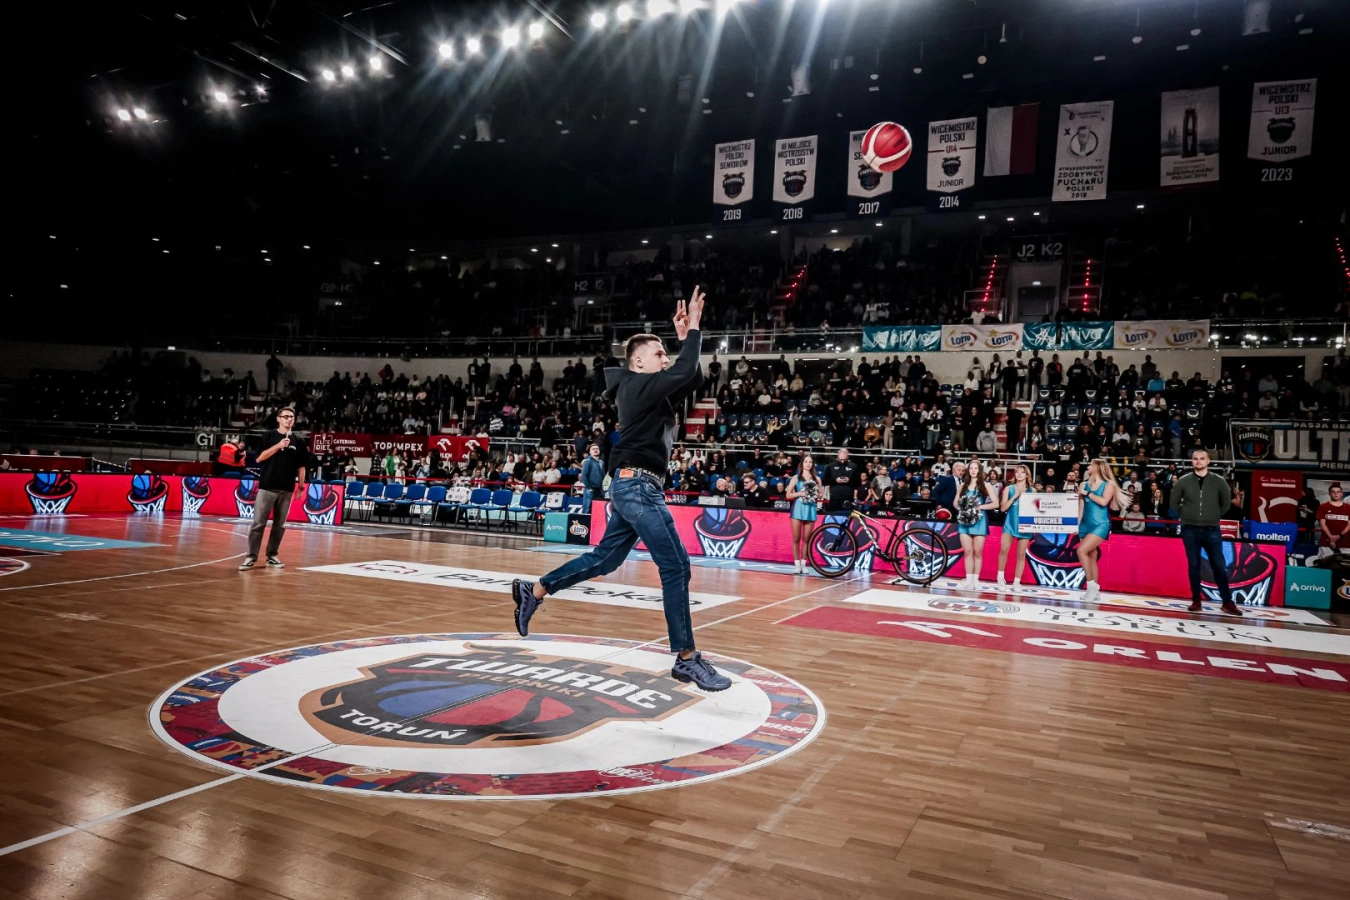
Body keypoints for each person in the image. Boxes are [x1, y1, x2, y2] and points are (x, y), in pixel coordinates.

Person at [511, 288, 731, 692]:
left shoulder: (650, 391)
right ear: (638, 361)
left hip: (635, 487)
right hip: (638, 487)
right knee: (676, 566)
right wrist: (694, 328)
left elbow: (694, 375)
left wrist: (685, 340)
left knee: (605, 559)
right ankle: (687, 659)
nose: (665, 357)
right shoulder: (633, 387)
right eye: (659, 352)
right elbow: (684, 369)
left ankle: (535, 589)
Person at [1169, 449, 1240, 615]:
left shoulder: (1219, 481)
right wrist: (1187, 515)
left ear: (1208, 461)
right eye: (1195, 459)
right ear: (1192, 461)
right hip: (1190, 530)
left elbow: (1226, 504)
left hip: (1212, 529)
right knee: (1194, 566)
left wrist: (1213, 516)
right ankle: (1196, 600)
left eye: (1202, 458)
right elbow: (1173, 503)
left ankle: (1227, 602)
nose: (1198, 461)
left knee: (1219, 566)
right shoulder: (1183, 481)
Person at [239, 407, 307, 571]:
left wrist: (301, 486)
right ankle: (251, 557)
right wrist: (278, 446)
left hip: (287, 489)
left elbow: (301, 466)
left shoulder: (298, 440)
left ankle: (272, 556)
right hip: (267, 486)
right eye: (285, 416)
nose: (289, 419)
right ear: (278, 419)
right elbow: (259, 458)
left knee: (279, 525)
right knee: (258, 524)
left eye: (291, 417)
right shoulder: (268, 436)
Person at [1076, 458, 1117, 602]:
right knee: (1091, 556)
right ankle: (1095, 592)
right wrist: (1077, 525)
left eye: (1090, 465)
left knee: (1081, 551)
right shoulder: (1083, 484)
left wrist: (1087, 493)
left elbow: (1103, 501)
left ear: (1098, 467)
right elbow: (1081, 507)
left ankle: (1091, 586)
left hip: (1100, 524)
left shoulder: (1109, 485)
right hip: (1085, 525)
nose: (1088, 467)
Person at [955, 458, 999, 588]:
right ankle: (969, 580)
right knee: (967, 551)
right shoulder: (962, 485)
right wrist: (963, 508)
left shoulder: (986, 485)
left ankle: (976, 580)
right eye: (971, 468)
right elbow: (955, 503)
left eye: (976, 468)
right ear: (968, 470)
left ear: (979, 470)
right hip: (964, 521)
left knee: (977, 551)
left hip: (979, 521)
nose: (973, 470)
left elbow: (996, 503)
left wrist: (979, 507)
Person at [996, 465, 1034, 587]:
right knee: (1004, 549)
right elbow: (1003, 508)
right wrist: (1015, 496)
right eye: (1017, 472)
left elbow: (1035, 510)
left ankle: (1017, 582)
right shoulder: (1009, 489)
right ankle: (1000, 577)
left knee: (1021, 554)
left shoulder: (1032, 491)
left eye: (1022, 472)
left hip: (1025, 525)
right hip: (1010, 523)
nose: (1019, 474)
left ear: (1027, 475)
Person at [786, 454, 822, 573]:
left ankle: (803, 564)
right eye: (806, 461)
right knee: (796, 538)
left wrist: (814, 493)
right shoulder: (796, 478)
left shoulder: (817, 479)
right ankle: (797, 565)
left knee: (807, 539)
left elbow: (821, 495)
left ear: (813, 464)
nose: (808, 464)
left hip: (810, 509)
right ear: (802, 463)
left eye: (810, 462)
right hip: (798, 508)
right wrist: (799, 493)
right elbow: (788, 494)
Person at [1317, 483, 1350, 557]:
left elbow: (1349, 525)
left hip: (1345, 544)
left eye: (1338, 492)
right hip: (1326, 543)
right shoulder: (1323, 506)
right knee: (1323, 563)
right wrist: (1331, 537)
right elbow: (1322, 524)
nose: (1336, 493)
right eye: (1333, 492)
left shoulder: (1348, 508)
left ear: (1341, 494)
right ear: (1329, 493)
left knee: (1345, 563)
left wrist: (1338, 536)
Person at [822, 448, 860, 513]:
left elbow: (858, 483)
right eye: (841, 459)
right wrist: (835, 480)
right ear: (837, 456)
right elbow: (825, 481)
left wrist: (849, 481)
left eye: (844, 459)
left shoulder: (854, 467)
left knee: (848, 516)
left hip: (848, 497)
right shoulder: (830, 466)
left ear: (848, 456)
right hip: (834, 497)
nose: (842, 461)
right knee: (833, 516)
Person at [579, 443, 605, 513]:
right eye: (593, 449)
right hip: (590, 489)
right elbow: (584, 476)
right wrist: (589, 488)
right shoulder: (587, 461)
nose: (595, 450)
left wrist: (602, 488)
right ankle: (585, 521)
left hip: (599, 490)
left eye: (597, 449)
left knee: (598, 509)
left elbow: (602, 476)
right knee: (587, 509)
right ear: (590, 452)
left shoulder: (601, 462)